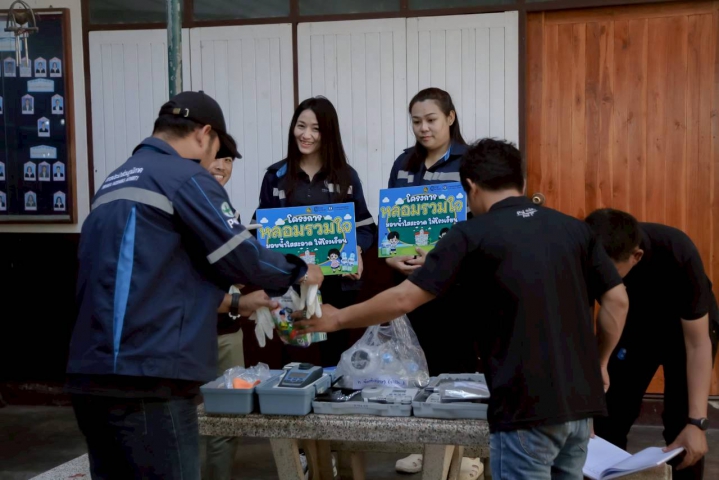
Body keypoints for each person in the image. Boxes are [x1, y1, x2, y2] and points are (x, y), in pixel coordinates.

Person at [298, 138, 630, 480]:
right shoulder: (575, 229)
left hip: (524, 407)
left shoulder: (470, 234)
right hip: (581, 406)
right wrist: (600, 362)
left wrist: (337, 318)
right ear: (521, 181)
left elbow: (403, 299)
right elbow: (617, 301)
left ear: (470, 186)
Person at [65, 90, 323, 480]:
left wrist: (235, 303)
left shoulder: (115, 180)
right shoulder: (185, 177)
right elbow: (242, 254)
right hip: (149, 378)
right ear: (204, 134)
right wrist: (300, 271)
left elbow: (153, 275)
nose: (213, 162)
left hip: (89, 376)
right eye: (217, 150)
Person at [586, 209, 719, 480]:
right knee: (607, 418)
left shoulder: (678, 252)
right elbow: (580, 331)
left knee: (683, 427)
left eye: (609, 273)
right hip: (632, 326)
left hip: (684, 331)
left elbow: (698, 344)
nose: (601, 280)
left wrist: (697, 423)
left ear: (636, 257)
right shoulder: (584, 252)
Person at [385, 88, 478, 476]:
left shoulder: (470, 161)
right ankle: (425, 447)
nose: (423, 128)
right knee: (418, 366)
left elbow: (480, 223)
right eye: (416, 121)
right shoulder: (403, 164)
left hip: (458, 285)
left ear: (450, 118)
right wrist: (390, 255)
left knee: (458, 368)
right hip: (412, 284)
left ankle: (467, 453)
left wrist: (443, 256)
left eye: (431, 120)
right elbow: (390, 222)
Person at [252, 96, 376, 368]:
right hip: (291, 284)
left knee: (336, 359)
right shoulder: (275, 176)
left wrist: (356, 249)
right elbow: (260, 228)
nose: (306, 135)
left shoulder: (346, 176)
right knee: (295, 360)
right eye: (301, 126)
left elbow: (365, 227)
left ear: (328, 133)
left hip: (338, 284)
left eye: (316, 129)